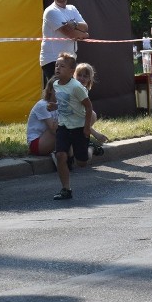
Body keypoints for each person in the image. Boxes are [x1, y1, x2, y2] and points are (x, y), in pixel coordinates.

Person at [51, 53, 93, 200]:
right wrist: (53, 106)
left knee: (81, 163)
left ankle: (91, 148)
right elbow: (63, 103)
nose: (58, 68)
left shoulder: (76, 87)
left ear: (71, 71)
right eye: (56, 65)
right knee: (60, 155)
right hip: (63, 126)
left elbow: (88, 107)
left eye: (62, 66)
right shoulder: (55, 85)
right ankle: (66, 189)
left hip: (79, 127)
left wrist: (87, 128)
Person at [40, 0, 89, 87]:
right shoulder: (51, 11)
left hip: (69, 59)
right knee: (58, 93)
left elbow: (85, 26)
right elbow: (70, 33)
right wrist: (84, 34)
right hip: (53, 60)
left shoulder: (72, 8)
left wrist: (74, 24)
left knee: (67, 93)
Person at [74, 62, 109, 153]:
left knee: (92, 114)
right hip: (68, 120)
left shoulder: (84, 90)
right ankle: (88, 141)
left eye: (85, 76)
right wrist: (96, 134)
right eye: (79, 75)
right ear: (74, 75)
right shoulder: (74, 89)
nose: (81, 78)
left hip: (76, 121)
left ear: (90, 79)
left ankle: (82, 138)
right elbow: (77, 116)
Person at [27, 76, 59, 156]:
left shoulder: (59, 104)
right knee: (62, 128)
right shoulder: (43, 105)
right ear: (50, 90)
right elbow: (53, 129)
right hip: (36, 144)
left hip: (46, 139)